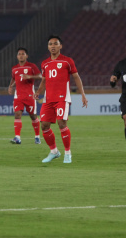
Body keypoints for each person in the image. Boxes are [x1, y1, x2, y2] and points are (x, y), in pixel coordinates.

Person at [34, 35, 88, 164]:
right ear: (48, 47)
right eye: (50, 44)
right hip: (48, 99)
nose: (52, 46)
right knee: (44, 125)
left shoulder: (67, 61)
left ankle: (68, 153)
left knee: (61, 124)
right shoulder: (44, 63)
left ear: (60, 46)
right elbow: (44, 80)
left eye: (55, 43)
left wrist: (83, 94)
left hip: (62, 98)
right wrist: (38, 92)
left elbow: (76, 77)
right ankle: (54, 152)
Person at [8, 47, 42, 145]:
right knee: (17, 115)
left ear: (26, 56)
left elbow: (40, 76)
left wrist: (30, 76)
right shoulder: (14, 68)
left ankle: (37, 137)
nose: (21, 55)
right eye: (19, 54)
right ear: (17, 56)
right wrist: (10, 86)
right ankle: (17, 138)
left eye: (23, 54)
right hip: (18, 96)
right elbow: (13, 78)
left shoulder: (31, 66)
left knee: (33, 116)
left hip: (30, 96)